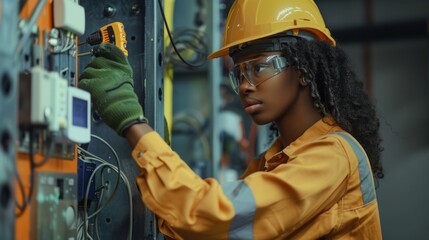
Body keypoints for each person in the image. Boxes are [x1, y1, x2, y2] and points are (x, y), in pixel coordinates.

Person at [79, 0, 384, 239]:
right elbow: (189, 227)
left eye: (259, 68)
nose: (244, 85)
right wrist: (153, 142)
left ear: (303, 69)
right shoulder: (274, 160)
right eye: (238, 73)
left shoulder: (333, 157)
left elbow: (210, 217)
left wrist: (131, 121)